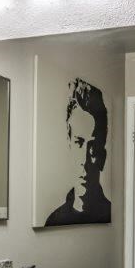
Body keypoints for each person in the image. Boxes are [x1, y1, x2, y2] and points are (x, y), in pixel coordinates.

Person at [46, 78, 112, 226]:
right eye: (78, 142)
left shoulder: (110, 213)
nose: (84, 160)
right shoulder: (53, 220)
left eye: (93, 147)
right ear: (68, 147)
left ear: (103, 157)